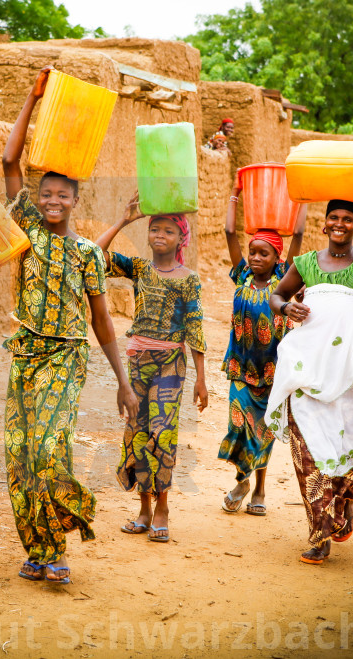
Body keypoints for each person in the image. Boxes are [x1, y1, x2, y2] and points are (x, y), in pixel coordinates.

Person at [1, 67, 139, 585]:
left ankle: (57, 546)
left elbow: (102, 322)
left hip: (65, 356)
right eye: (46, 194)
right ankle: (36, 550)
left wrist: (123, 384)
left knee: (50, 448)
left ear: (77, 200)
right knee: (20, 455)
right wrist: (32, 100)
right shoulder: (28, 229)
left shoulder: (86, 255)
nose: (52, 201)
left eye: (63, 195)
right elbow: (10, 159)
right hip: (26, 353)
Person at [267, 172, 353, 565]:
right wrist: (285, 307)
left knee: (345, 444)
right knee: (307, 450)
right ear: (325, 223)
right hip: (306, 367)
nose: (340, 225)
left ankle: (346, 498)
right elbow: (276, 293)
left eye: (349, 220)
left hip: (349, 373)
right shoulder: (306, 263)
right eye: (334, 218)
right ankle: (318, 535)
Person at [95, 193, 207, 544]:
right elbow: (94, 257)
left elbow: (195, 327)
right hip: (137, 362)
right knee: (136, 434)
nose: (160, 234)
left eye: (168, 231)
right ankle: (144, 510)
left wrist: (201, 378)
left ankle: (163, 509)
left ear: (180, 239)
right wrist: (124, 220)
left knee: (163, 434)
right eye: (155, 228)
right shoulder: (140, 268)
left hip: (170, 363)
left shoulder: (188, 279)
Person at [219, 177, 307, 516]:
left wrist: (302, 199)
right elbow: (229, 233)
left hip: (273, 371)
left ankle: (259, 490)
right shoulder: (241, 275)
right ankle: (242, 479)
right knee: (239, 427)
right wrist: (235, 194)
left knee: (265, 432)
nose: (255, 258)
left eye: (263, 253)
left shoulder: (284, 281)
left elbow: (297, 236)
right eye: (253, 251)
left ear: (277, 257)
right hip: (241, 368)